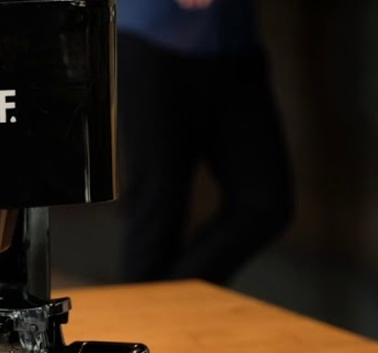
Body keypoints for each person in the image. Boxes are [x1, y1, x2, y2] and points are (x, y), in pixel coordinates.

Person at [116, 0, 294, 285]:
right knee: (157, 212)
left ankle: (173, 302)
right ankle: (154, 313)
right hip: (153, 41)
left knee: (264, 202)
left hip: (235, 44)